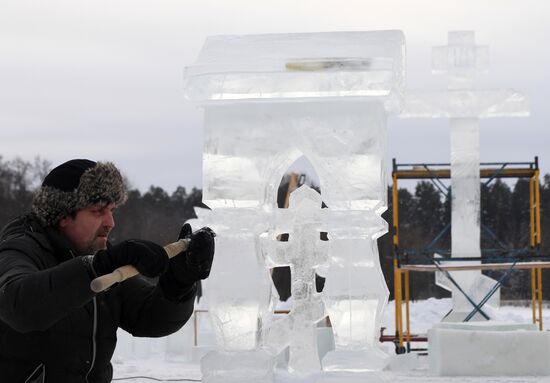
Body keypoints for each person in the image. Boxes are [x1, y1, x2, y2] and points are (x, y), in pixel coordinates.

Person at [0, 159, 215, 383]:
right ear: (62, 215)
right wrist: (97, 267)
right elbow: (20, 306)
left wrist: (179, 282)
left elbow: (148, 317)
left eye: (112, 210)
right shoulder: (18, 249)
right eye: (98, 211)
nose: (110, 222)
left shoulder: (98, 258)